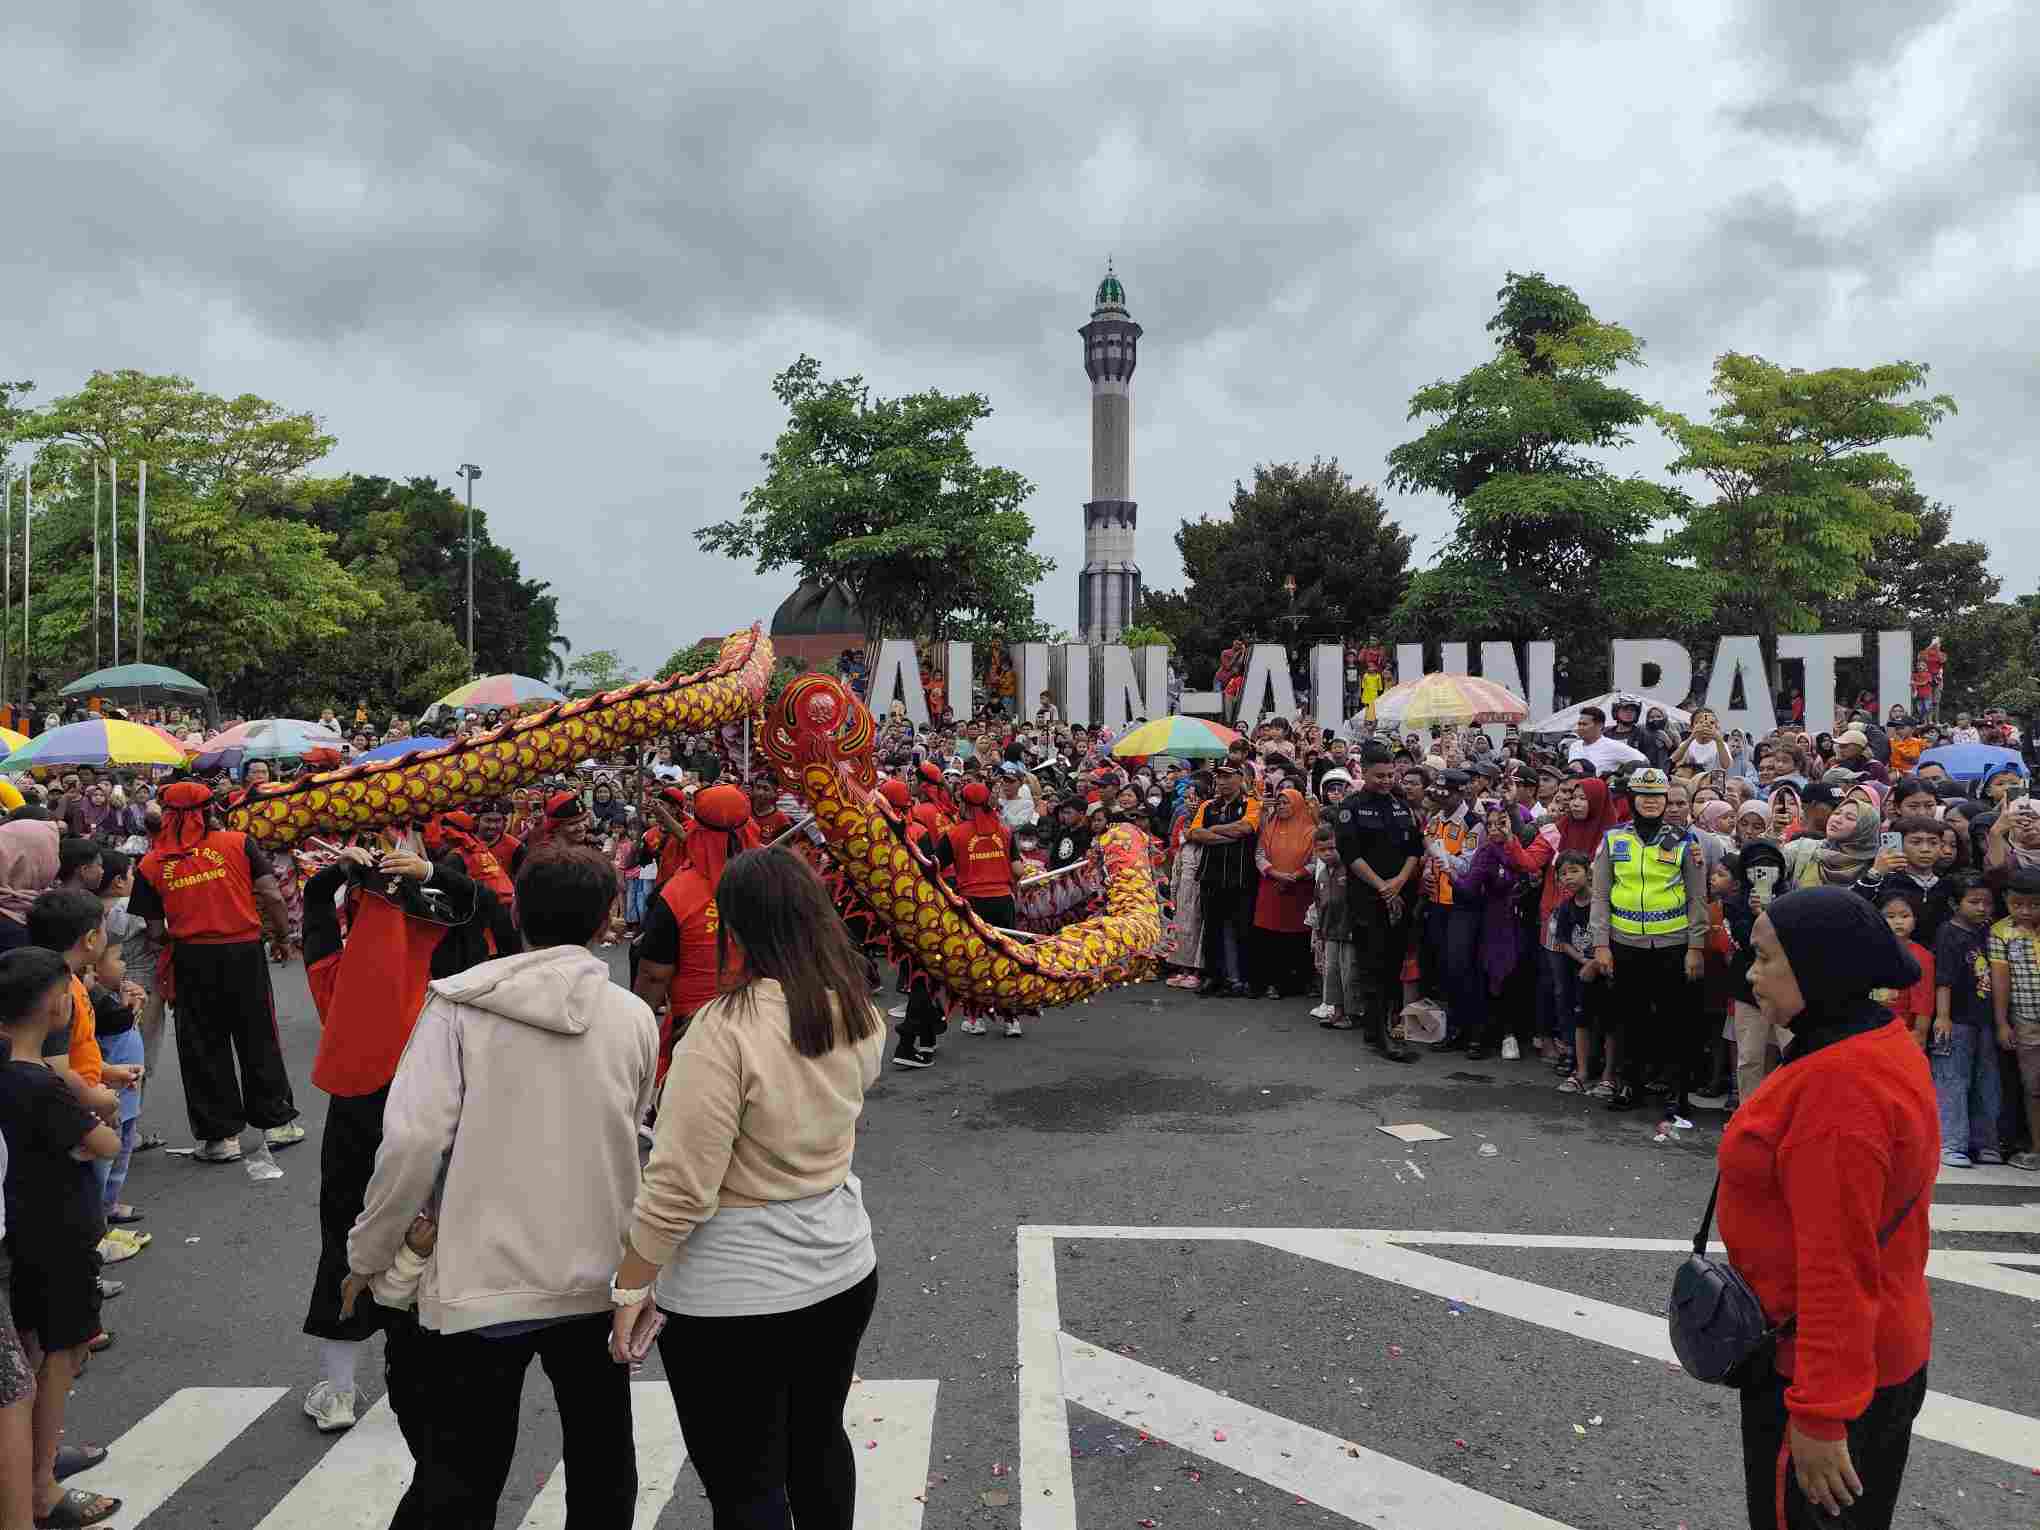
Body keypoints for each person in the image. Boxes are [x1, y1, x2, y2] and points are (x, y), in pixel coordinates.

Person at [345, 845, 658, 1528]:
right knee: (603, 1455)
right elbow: (633, 1131)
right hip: (595, 1272)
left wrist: (367, 1255)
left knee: (463, 1472)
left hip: (478, 1277)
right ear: (609, 921)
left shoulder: (458, 1007)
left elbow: (410, 1144)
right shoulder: (633, 1016)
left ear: (517, 913)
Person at [608, 850, 884, 1530]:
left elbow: (679, 1186)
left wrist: (630, 1286)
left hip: (733, 1295)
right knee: (818, 1443)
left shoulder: (723, 1030)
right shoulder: (854, 1010)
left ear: (734, 926)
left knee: (746, 1484)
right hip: (841, 1267)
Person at [1722, 886, 1936, 1530]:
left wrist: (1819, 1414)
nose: (1751, 974)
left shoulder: (1839, 1090)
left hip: (1825, 1374)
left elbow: (1835, 1265)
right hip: (1861, 1355)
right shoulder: (1866, 1041)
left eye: (1764, 959)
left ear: (1818, 967)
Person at [297, 836, 518, 1433]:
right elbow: (497, 919)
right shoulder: (463, 971)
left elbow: (314, 910)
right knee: (447, 1232)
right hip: (451, 1110)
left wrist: (339, 874)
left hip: (359, 1112)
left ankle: (339, 1390)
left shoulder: (336, 974)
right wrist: (437, 875)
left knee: (345, 1235)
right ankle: (450, 1371)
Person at [0, 946, 123, 1530]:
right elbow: (105, 1144)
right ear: (54, 1005)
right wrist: (99, 1113)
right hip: (59, 1235)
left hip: (20, 1232)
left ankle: (33, 1469)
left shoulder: (14, 1075)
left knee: (29, 1350)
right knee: (60, 1352)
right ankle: (41, 1484)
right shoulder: (41, 1085)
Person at [129, 781, 300, 1163]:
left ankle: (221, 1139)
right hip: (243, 953)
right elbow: (271, 894)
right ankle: (276, 1124)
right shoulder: (239, 843)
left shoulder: (151, 863)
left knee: (203, 1045)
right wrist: (282, 936)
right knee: (258, 1033)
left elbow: (155, 931)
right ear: (210, 811)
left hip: (192, 958)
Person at [1590, 768, 1707, 1117]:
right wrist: (1601, 944)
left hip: (1673, 946)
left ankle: (1676, 1092)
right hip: (1625, 944)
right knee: (1628, 1019)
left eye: (1659, 796)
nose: (1652, 802)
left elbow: (1698, 898)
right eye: (1645, 795)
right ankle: (1630, 1085)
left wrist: (1696, 947)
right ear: (1632, 799)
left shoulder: (1684, 840)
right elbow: (1599, 895)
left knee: (1675, 1022)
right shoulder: (1614, 840)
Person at [635, 784, 762, 1083]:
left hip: (695, 1027)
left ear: (698, 829)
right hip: (764, 1021)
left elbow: (654, 975)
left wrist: (636, 1029)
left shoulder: (677, 892)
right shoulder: (778, 882)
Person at [1327, 742, 1420, 1061]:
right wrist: (1383, 887)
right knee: (1373, 966)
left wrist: (1398, 884)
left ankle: (1381, 1027)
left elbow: (1414, 850)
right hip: (1368, 898)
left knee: (1394, 964)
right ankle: (1378, 1033)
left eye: (1390, 775)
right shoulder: (1351, 807)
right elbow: (1351, 855)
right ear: (1364, 772)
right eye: (1379, 775)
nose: (1386, 781)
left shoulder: (1401, 806)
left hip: (1400, 896)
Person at [1187, 763, 1260, 997]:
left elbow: (1245, 828)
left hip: (1241, 877)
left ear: (1240, 779)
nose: (1222, 782)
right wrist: (1225, 836)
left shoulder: (1252, 804)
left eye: (1228, 777)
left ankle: (1244, 979)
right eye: (1219, 777)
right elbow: (1195, 833)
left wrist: (1215, 830)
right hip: (1211, 876)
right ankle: (1213, 977)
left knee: (1243, 930)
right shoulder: (1207, 805)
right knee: (1211, 930)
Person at [1987, 865, 2040, 1170]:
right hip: (2025, 1020)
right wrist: (2002, 1022)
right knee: (2033, 1086)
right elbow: (2000, 981)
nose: (2025, 911)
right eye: (2017, 904)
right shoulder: (2001, 932)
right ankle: (2035, 1148)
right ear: (2006, 899)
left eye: (2034, 905)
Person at [1249, 788, 1316, 999]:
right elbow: (1259, 855)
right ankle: (1272, 983)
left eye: (1286, 803)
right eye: (1279, 803)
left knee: (1297, 939)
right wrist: (1275, 873)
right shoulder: (1269, 828)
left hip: (1299, 892)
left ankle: (1296, 983)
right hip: (1272, 889)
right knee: (1270, 939)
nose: (1282, 807)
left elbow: (1316, 860)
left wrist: (1296, 875)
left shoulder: (1311, 831)